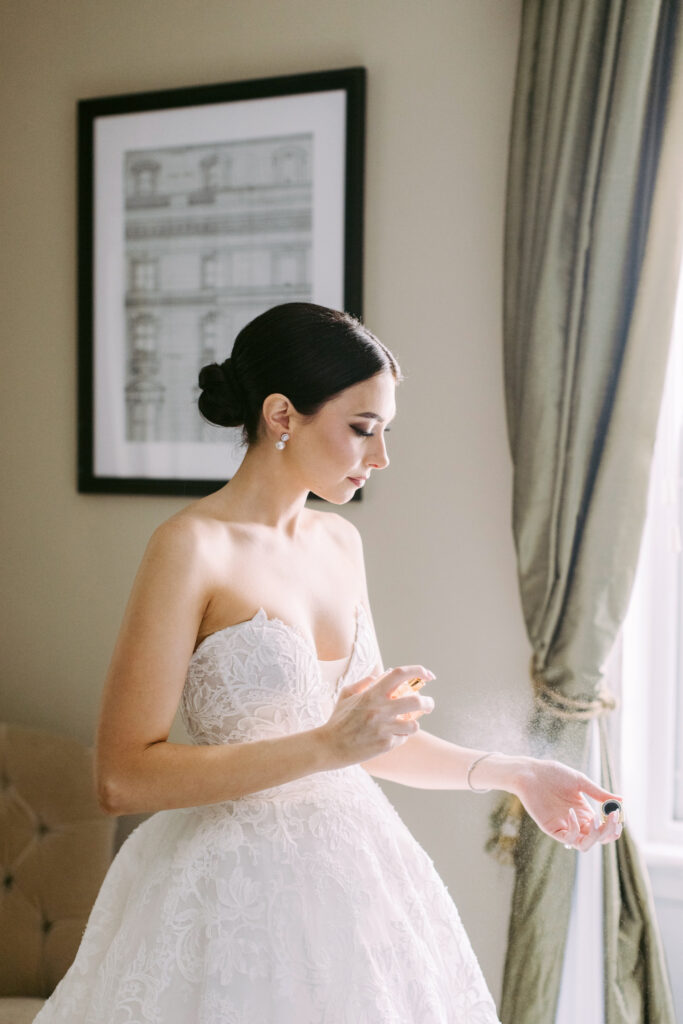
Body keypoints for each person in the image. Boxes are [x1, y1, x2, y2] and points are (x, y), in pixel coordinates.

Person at [34, 302, 622, 1023]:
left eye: (385, 432)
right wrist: (325, 746)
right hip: (226, 897)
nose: (380, 458)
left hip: (358, 885)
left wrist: (515, 773)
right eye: (362, 429)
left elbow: (371, 744)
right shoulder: (190, 548)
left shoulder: (340, 544)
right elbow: (121, 777)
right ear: (282, 415)